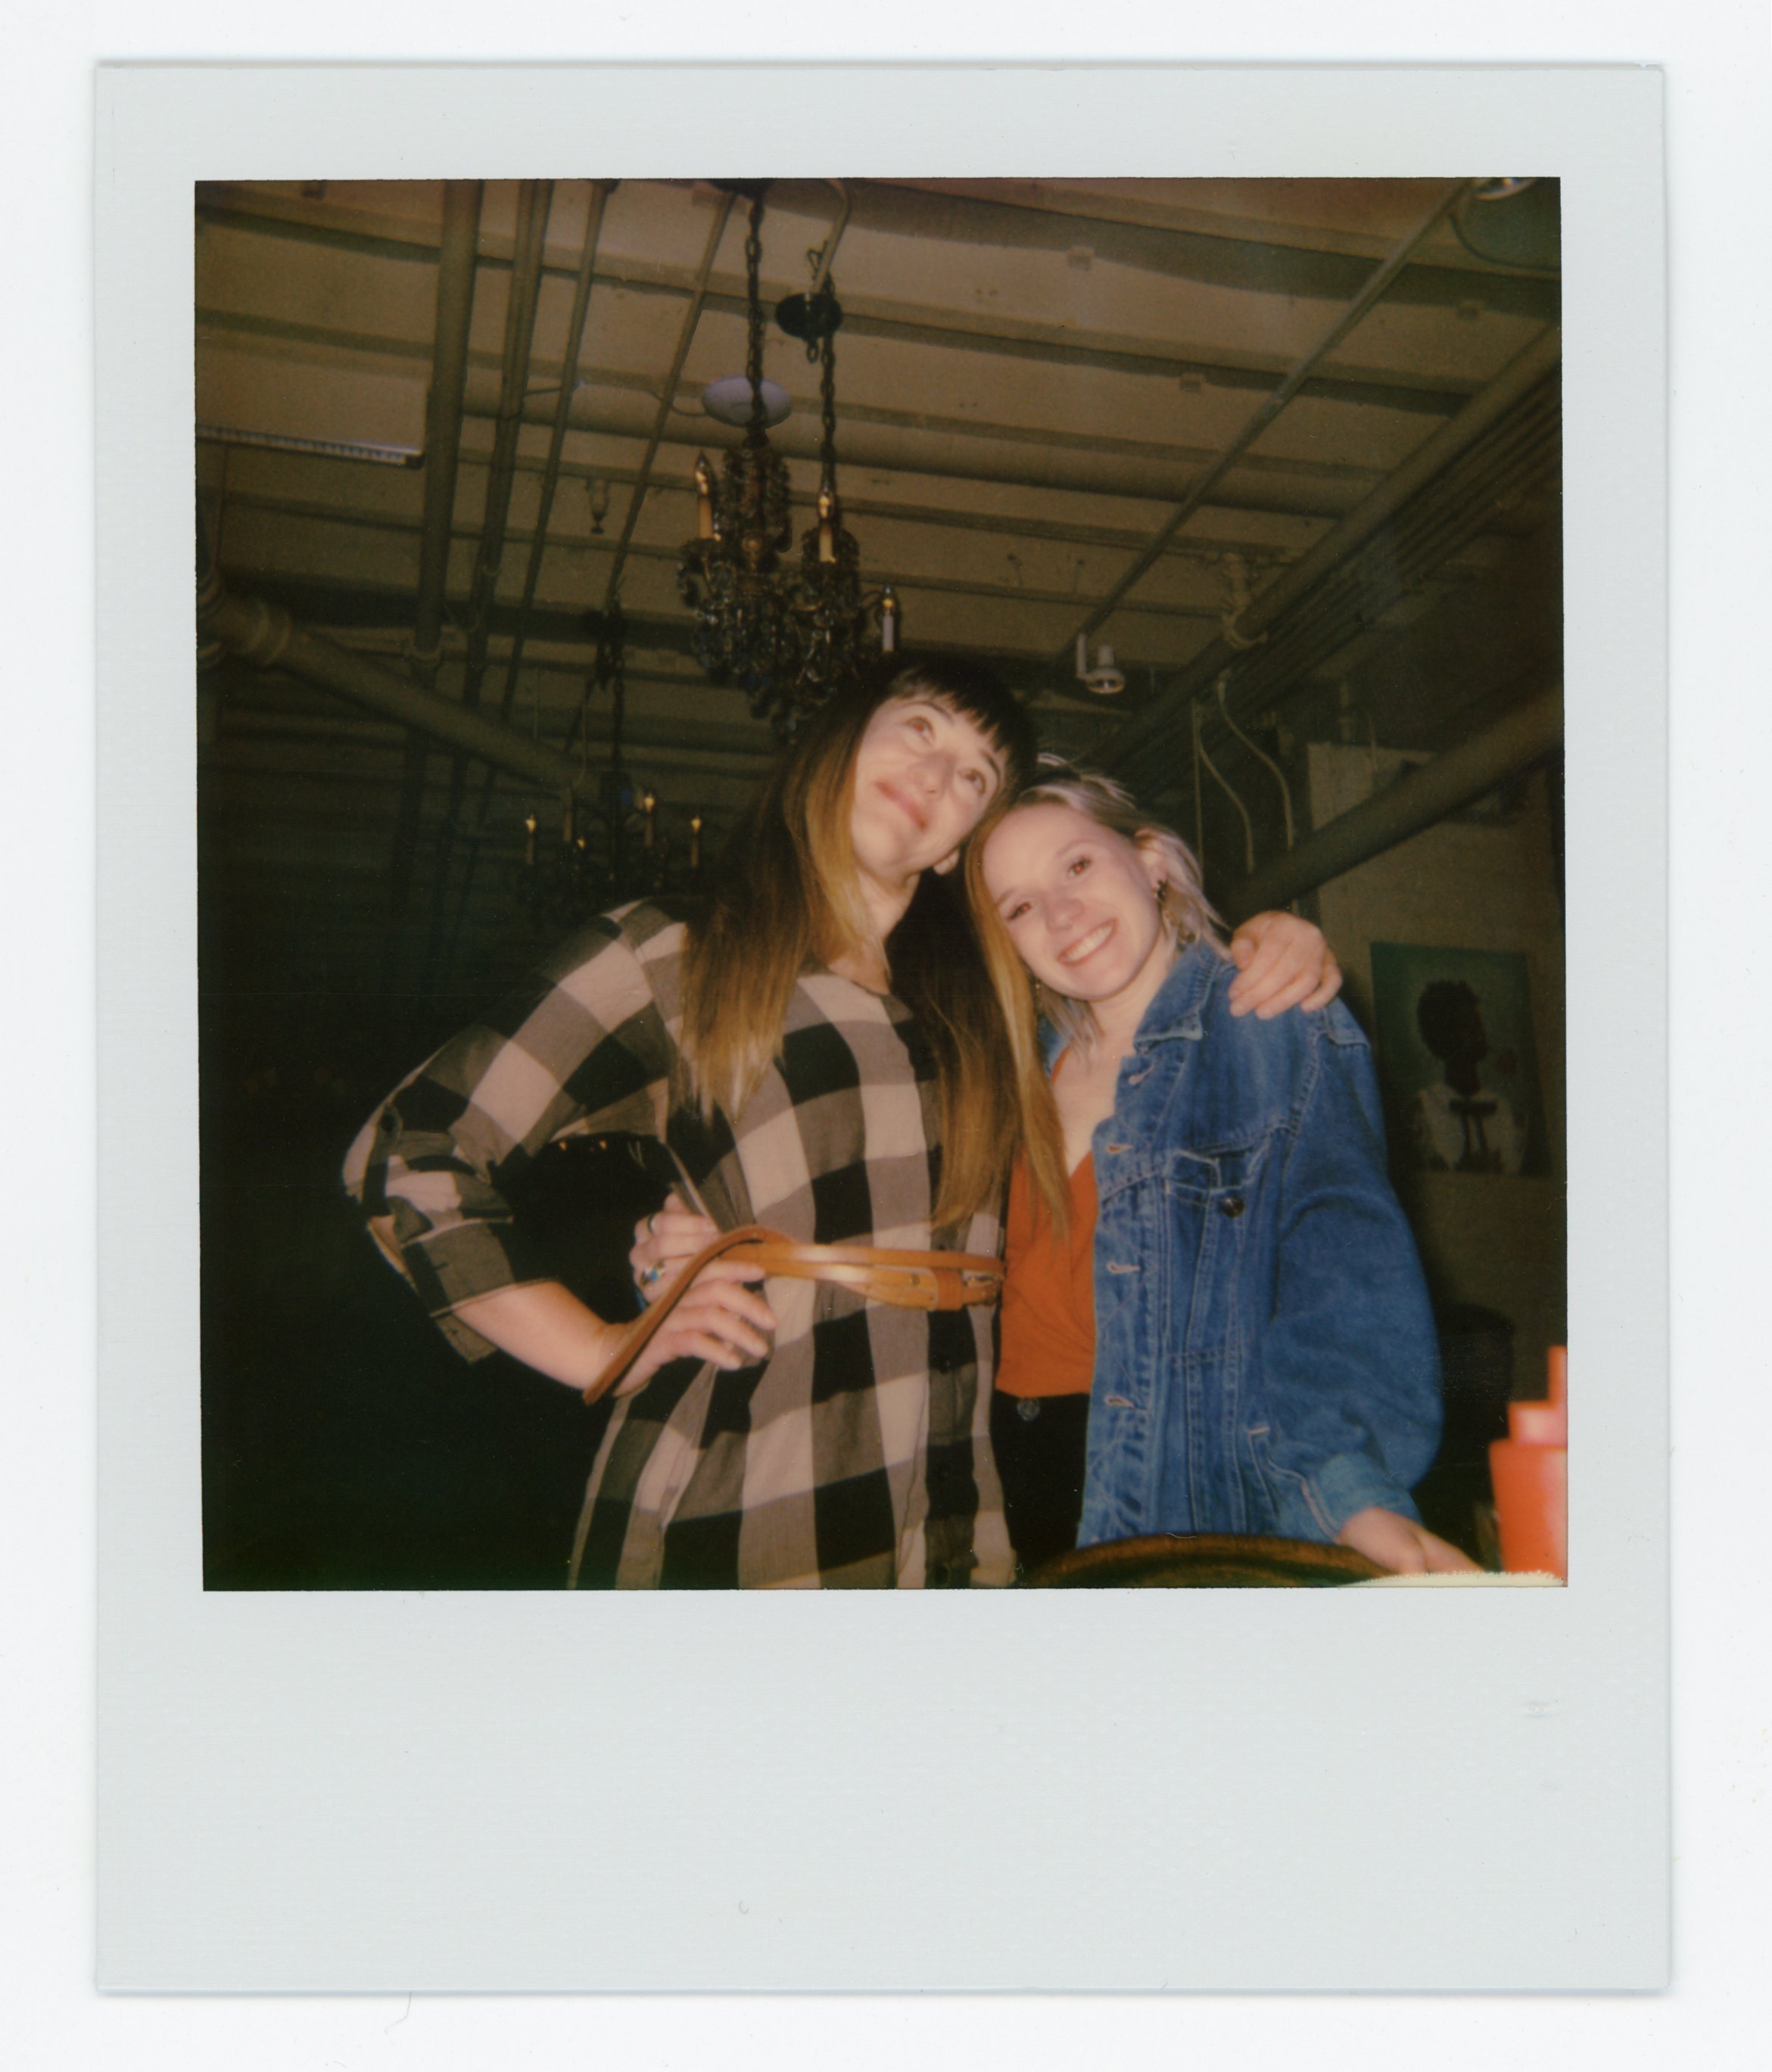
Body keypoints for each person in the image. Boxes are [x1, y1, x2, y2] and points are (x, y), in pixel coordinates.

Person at [352, 663, 1339, 1588]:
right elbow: (409, 1148)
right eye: (920, 729)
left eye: (973, 774)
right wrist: (604, 1345)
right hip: (751, 1482)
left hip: (963, 1508)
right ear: (841, 744)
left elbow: (1132, 990)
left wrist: (1263, 939)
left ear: (954, 848)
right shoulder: (673, 951)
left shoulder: (990, 1006)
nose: (936, 774)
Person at [964, 765, 1476, 1576]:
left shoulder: (1271, 1022)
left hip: (1174, 1480)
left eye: (1077, 865)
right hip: (1005, 1494)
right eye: (1019, 907)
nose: (1060, 915)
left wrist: (1349, 1493)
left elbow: (1341, 1279)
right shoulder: (1008, 1067)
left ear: (1152, 860)